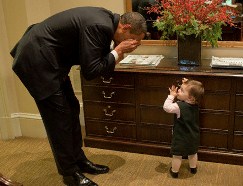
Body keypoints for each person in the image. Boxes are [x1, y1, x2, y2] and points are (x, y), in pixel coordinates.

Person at [10, 7, 147, 186]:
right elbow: (90, 71)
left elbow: (97, 63)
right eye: (133, 40)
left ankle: (79, 161)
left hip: (52, 60)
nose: (133, 45)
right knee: (59, 119)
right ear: (126, 27)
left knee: (72, 108)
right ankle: (69, 174)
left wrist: (117, 52)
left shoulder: (107, 22)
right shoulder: (100, 26)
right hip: (37, 60)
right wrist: (118, 51)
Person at [163, 78, 204, 178]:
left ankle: (174, 172)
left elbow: (166, 107)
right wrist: (187, 82)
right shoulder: (195, 104)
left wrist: (171, 96)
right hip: (193, 136)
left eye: (181, 90)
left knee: (177, 155)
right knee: (193, 153)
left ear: (190, 98)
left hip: (180, 137)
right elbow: (195, 89)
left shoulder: (179, 106)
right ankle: (193, 168)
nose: (178, 90)